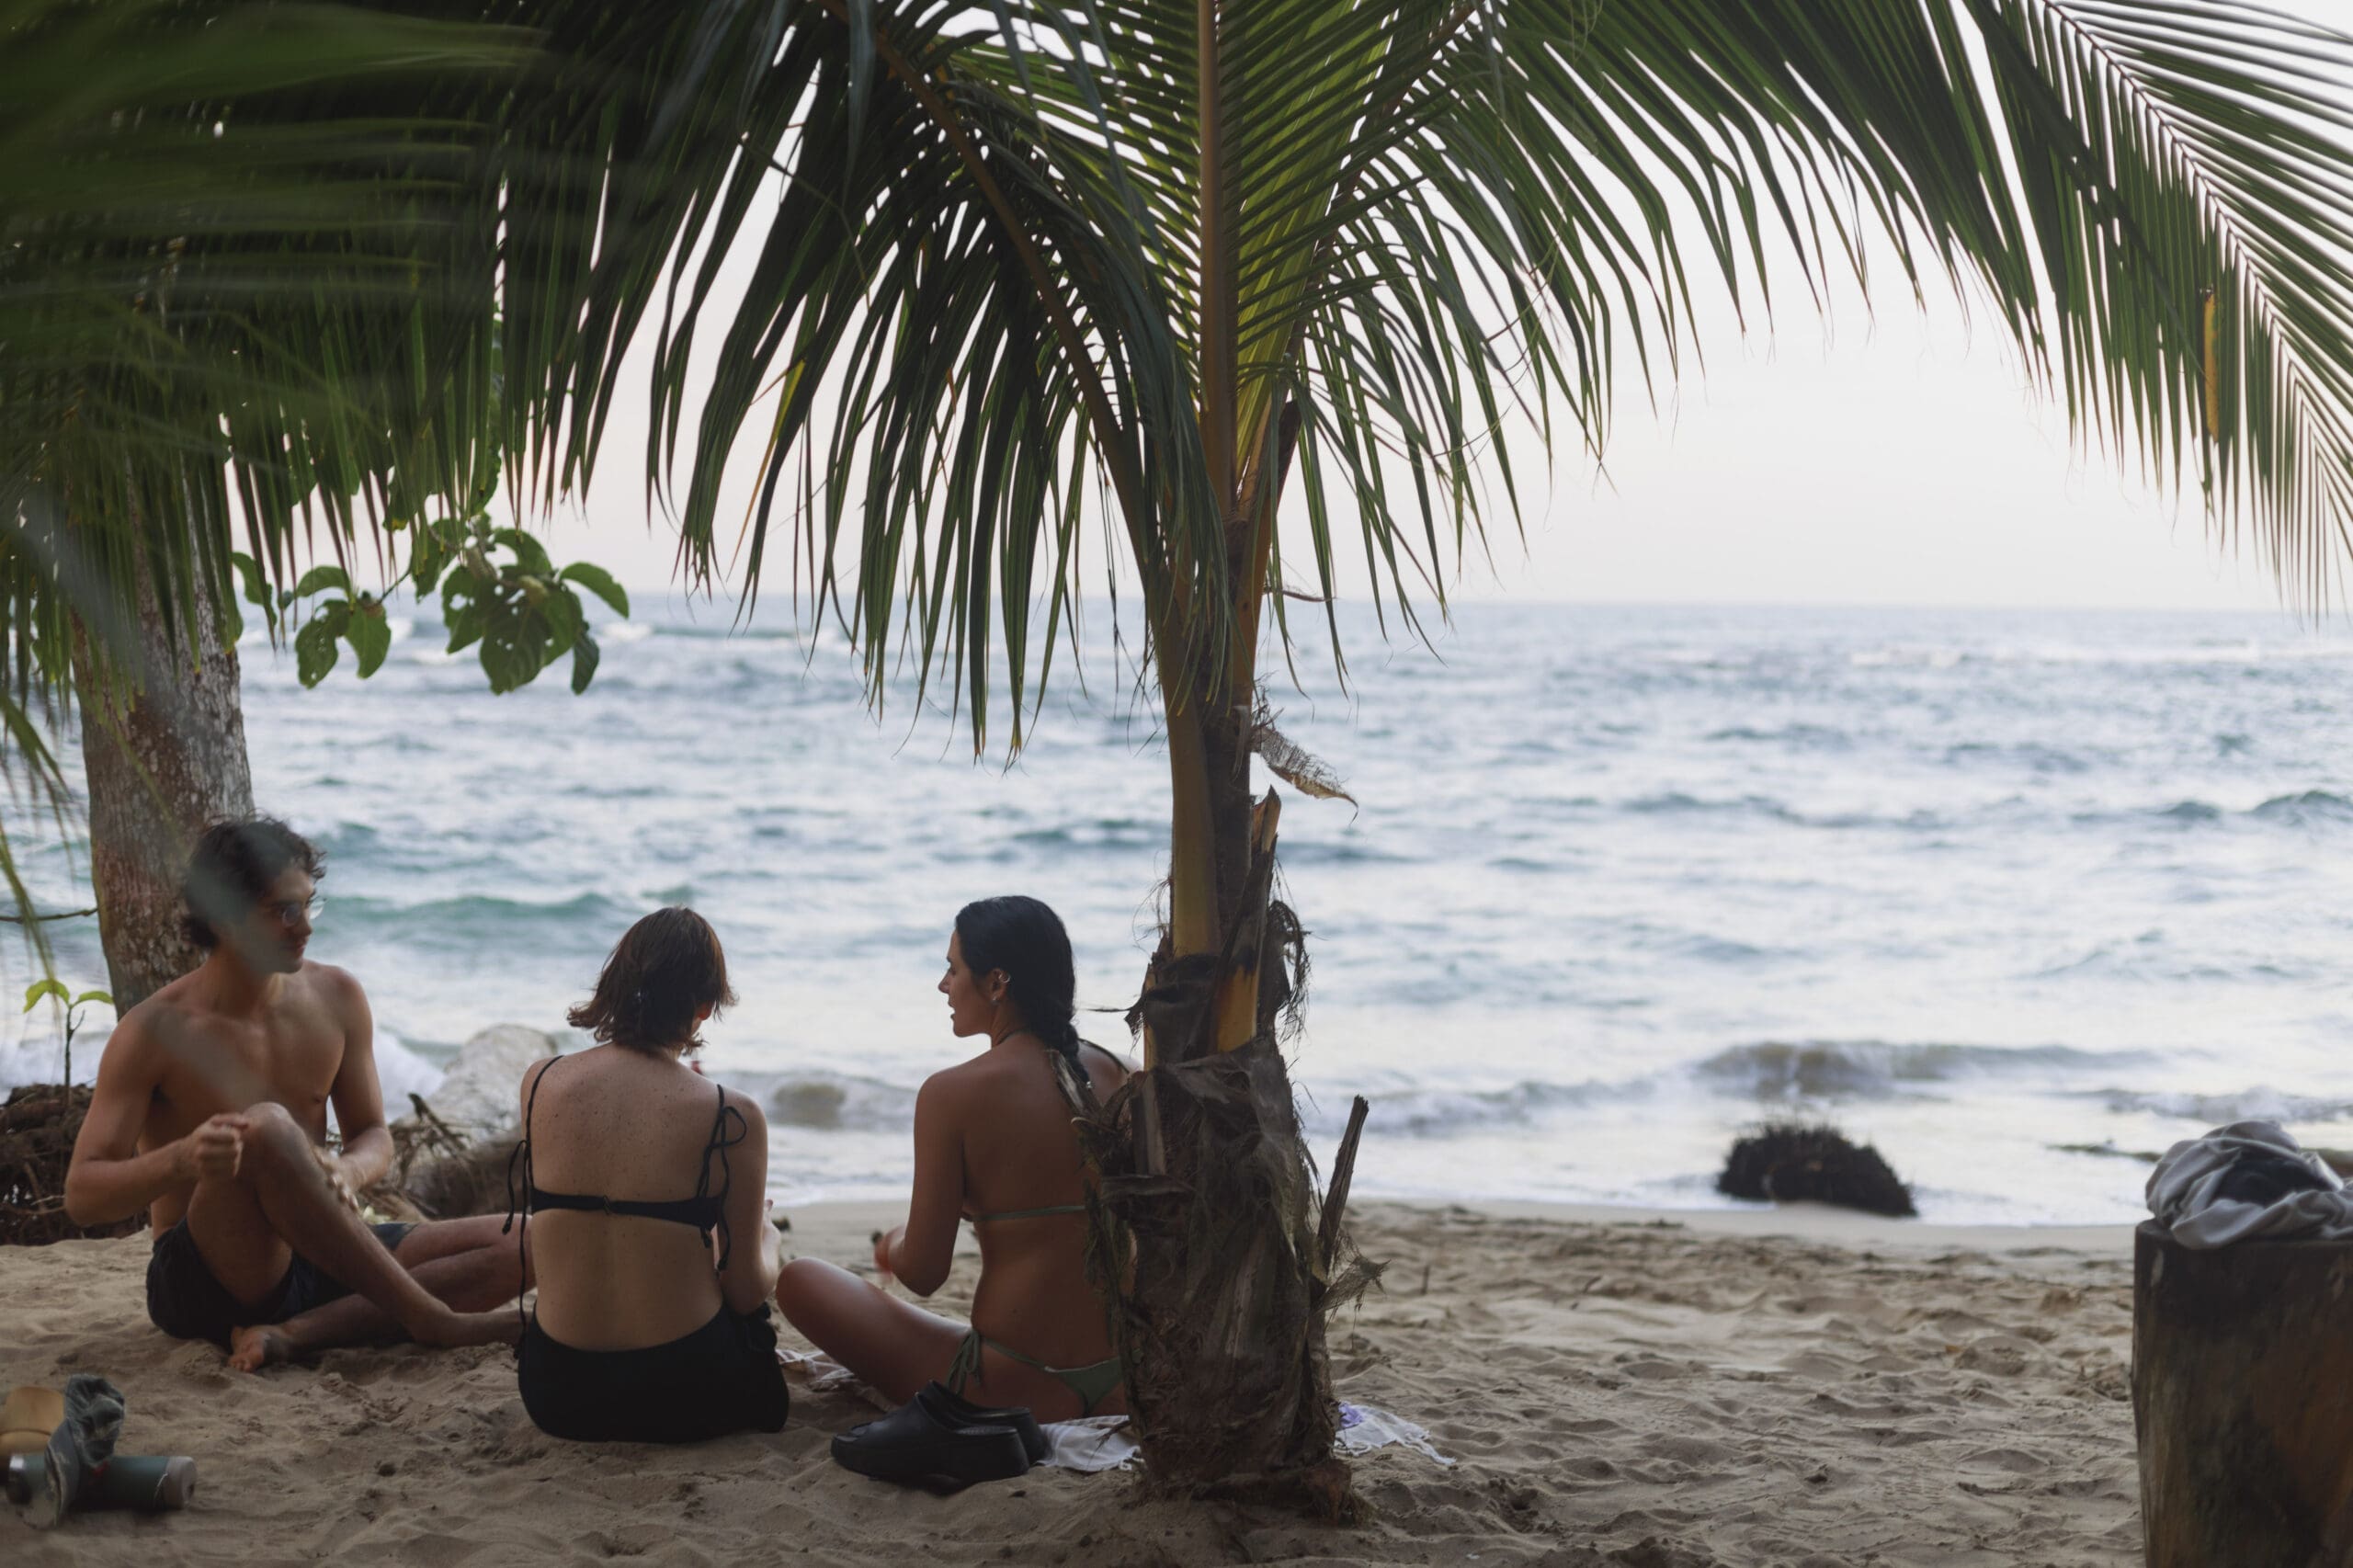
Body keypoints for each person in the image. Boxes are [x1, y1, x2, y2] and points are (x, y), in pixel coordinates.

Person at [63, 817, 520, 1369]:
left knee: (530, 1240)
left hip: (320, 1249)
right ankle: (430, 1319)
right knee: (267, 1128)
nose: (304, 927)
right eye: (284, 911)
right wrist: (182, 1159)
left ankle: (298, 1333)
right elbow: (83, 1195)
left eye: (309, 905)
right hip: (207, 1273)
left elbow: (373, 1134)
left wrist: (348, 1172)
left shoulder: (338, 996)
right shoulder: (153, 1030)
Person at [777, 894, 1129, 1422]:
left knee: (799, 1279)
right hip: (1127, 1377)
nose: (943, 985)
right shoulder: (1120, 1073)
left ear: (996, 983)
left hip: (1012, 1381)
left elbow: (922, 1274)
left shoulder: (951, 1094)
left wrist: (894, 1242)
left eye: (952, 968)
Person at [504, 907, 787, 1443]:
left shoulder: (539, 1083)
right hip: (684, 1392)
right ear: (704, 1007)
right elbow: (747, 1291)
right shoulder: (732, 1113)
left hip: (558, 1392)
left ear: (613, 987)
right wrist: (768, 1238)